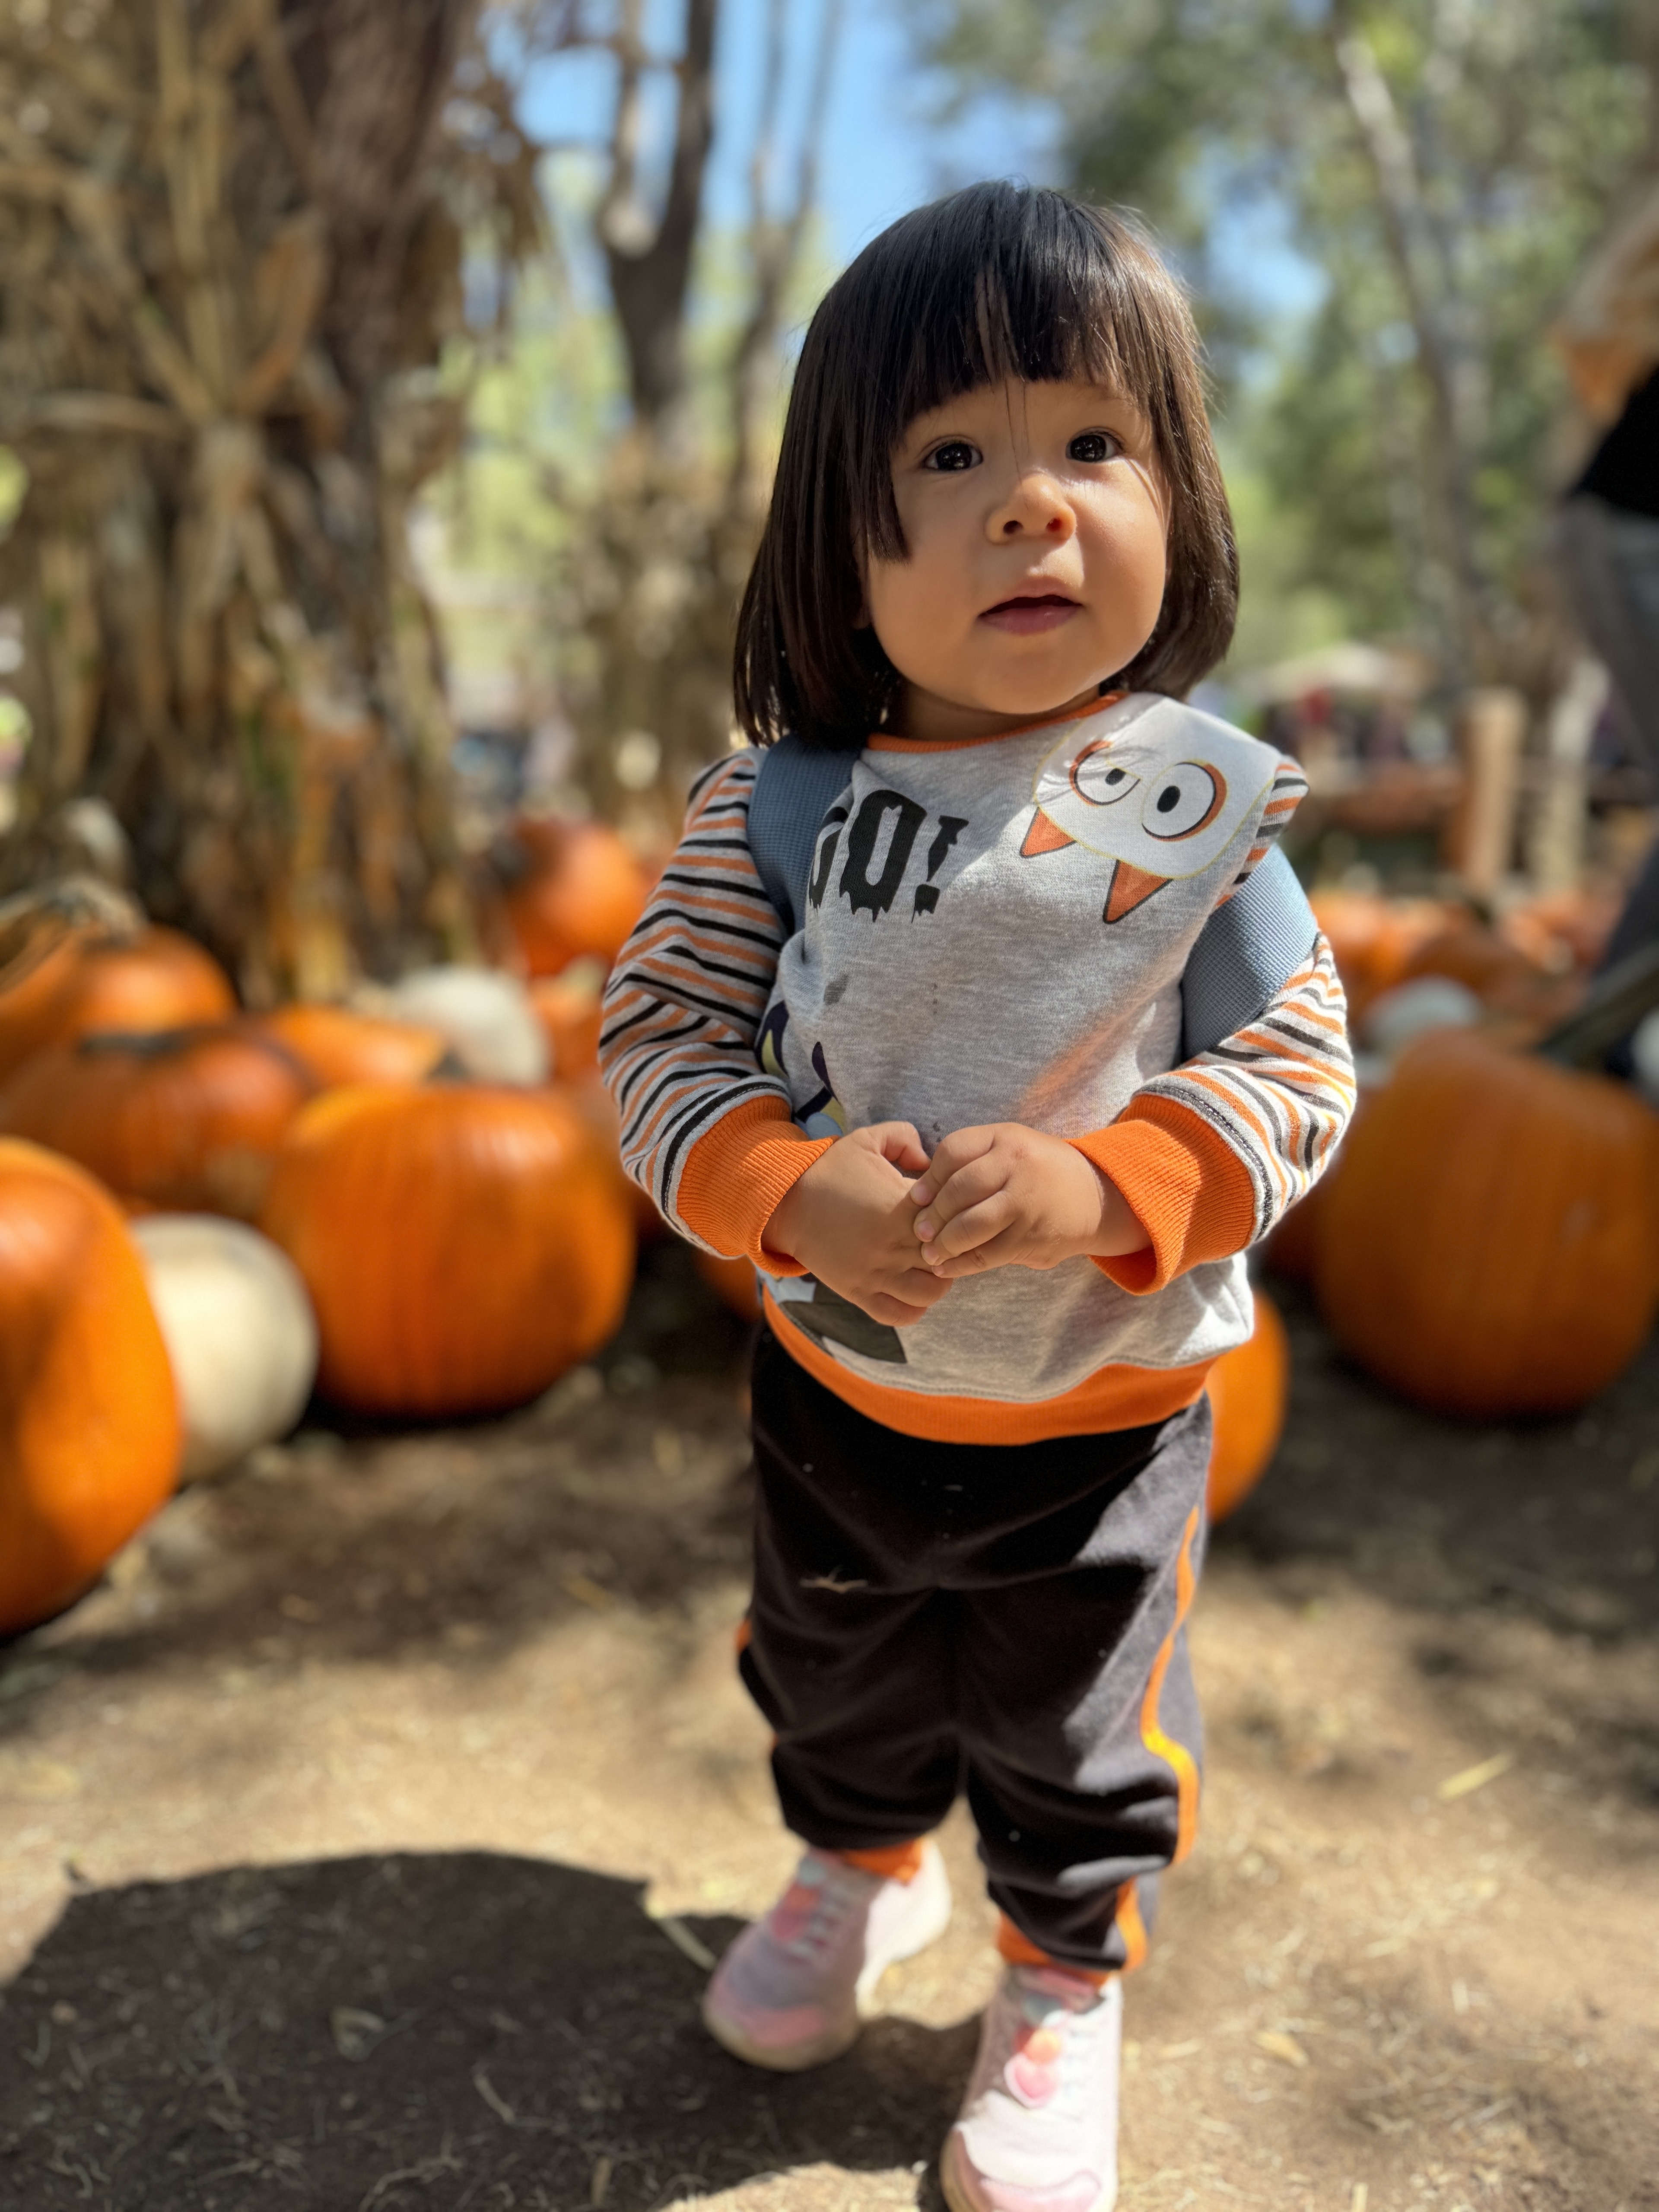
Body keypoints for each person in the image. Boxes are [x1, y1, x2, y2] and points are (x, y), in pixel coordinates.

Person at [599, 182, 1354, 2212]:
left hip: (1103, 1421)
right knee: (833, 1668)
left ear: (1180, 500)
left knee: (1075, 1728)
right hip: (839, 1398)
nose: (1035, 503)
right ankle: (855, 1862)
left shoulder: (1203, 808)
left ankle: (1054, 1978)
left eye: (1092, 442)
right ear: (842, 544)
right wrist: (775, 1182)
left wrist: (1121, 1176)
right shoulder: (774, 805)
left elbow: (1300, 1070)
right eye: (951, 456)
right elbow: (652, 1040)